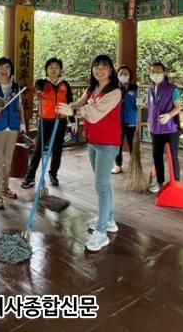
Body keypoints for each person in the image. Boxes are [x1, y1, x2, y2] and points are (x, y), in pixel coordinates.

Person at [60, 55, 122, 252]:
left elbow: (94, 114)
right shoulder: (92, 89)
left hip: (108, 143)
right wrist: (67, 106)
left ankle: (101, 233)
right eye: (96, 66)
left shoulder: (114, 92)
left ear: (110, 70)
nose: (99, 70)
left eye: (104, 67)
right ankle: (109, 220)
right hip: (93, 141)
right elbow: (79, 103)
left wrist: (73, 112)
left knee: (101, 186)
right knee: (103, 184)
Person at [21, 57, 76, 189]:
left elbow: (70, 103)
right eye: (51, 67)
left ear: (60, 70)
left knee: (57, 149)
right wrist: (38, 92)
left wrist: (73, 121)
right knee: (39, 149)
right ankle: (29, 178)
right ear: (46, 69)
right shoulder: (41, 82)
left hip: (61, 120)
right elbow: (37, 88)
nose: (53, 70)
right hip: (45, 120)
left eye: (56, 67)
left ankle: (53, 174)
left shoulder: (65, 84)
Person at [0, 57, 25, 210]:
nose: (4, 70)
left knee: (7, 161)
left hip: (12, 127)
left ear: (10, 70)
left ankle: (4, 188)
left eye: (7, 67)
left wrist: (22, 123)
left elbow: (19, 106)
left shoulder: (15, 87)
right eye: (1, 67)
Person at [146, 62, 182, 193]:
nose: (156, 73)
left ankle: (176, 184)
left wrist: (168, 115)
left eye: (158, 71)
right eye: (153, 71)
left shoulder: (172, 89)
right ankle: (160, 182)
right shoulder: (150, 90)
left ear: (164, 73)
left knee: (172, 157)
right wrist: (149, 123)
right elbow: (150, 108)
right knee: (157, 156)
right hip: (156, 129)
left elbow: (178, 107)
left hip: (170, 128)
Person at [113, 64, 139, 174]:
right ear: (117, 75)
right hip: (117, 121)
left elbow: (139, 102)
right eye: (121, 73)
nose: (123, 75)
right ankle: (118, 165)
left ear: (129, 75)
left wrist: (139, 103)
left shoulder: (134, 87)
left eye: (126, 73)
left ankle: (135, 166)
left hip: (131, 120)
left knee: (133, 144)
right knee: (117, 144)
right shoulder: (114, 87)